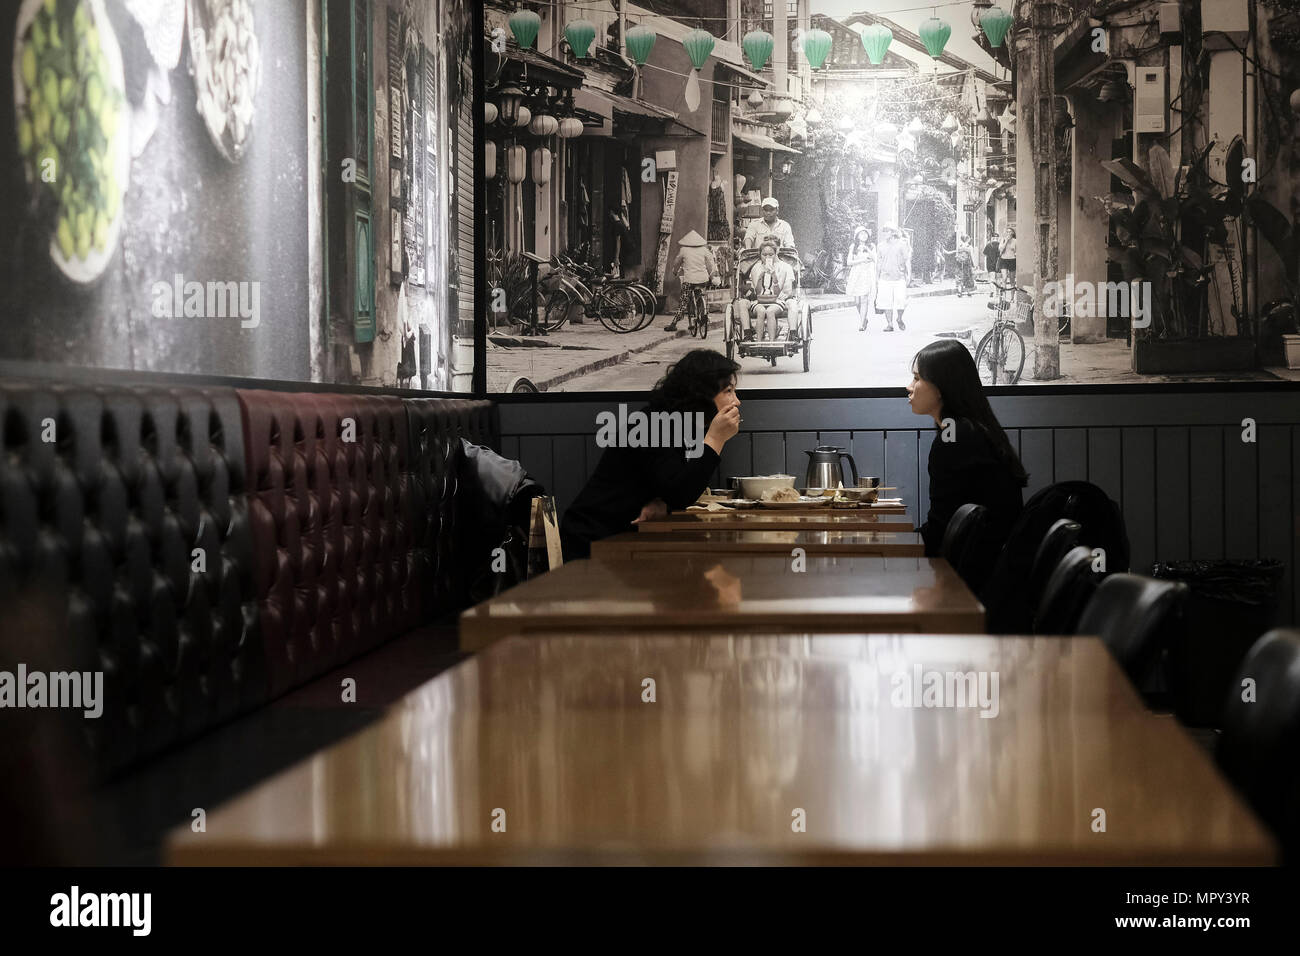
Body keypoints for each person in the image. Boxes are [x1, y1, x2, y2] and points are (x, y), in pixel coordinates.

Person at [560, 350, 743, 560]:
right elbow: (681, 491)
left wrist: (664, 503)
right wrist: (715, 439)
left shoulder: (677, 424)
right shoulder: (653, 425)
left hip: (623, 543)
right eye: (729, 391)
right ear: (701, 392)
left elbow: (672, 484)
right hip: (593, 543)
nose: (736, 401)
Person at [906, 340, 1028, 557]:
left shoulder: (954, 440)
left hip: (971, 577)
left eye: (916, 378)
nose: (909, 387)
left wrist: (889, 545)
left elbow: (939, 533)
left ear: (941, 387)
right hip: (994, 566)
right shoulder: (974, 428)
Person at [664, 230, 719, 332]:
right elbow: (710, 263)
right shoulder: (704, 250)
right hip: (703, 279)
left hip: (689, 280)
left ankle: (674, 323)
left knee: (684, 301)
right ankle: (703, 313)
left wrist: (675, 272)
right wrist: (711, 275)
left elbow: (677, 263)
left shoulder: (684, 250)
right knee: (701, 295)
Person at [742, 238, 795, 342]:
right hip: (761, 299)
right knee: (758, 310)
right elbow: (756, 291)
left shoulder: (784, 268)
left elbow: (784, 291)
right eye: (764, 255)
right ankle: (754, 337)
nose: (767, 257)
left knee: (770, 311)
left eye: (770, 255)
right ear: (760, 255)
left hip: (776, 299)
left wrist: (773, 275)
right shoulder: (756, 268)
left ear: (776, 254)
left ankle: (772, 341)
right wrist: (761, 276)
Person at [875, 225, 911, 332]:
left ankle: (899, 318)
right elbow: (879, 262)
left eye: (887, 231)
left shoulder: (901, 244)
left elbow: (907, 260)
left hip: (899, 277)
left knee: (901, 301)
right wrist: (877, 277)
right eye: (884, 231)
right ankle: (889, 324)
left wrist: (909, 274)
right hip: (885, 278)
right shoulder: (880, 246)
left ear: (893, 232)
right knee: (886, 302)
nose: (885, 233)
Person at [844, 226, 876, 332]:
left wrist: (867, 249)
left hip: (867, 274)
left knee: (864, 299)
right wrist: (861, 261)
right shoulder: (853, 246)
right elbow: (849, 262)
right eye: (861, 234)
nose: (864, 235)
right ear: (857, 236)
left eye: (866, 233)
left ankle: (862, 324)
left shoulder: (871, 246)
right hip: (856, 274)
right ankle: (864, 319)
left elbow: (875, 259)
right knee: (857, 302)